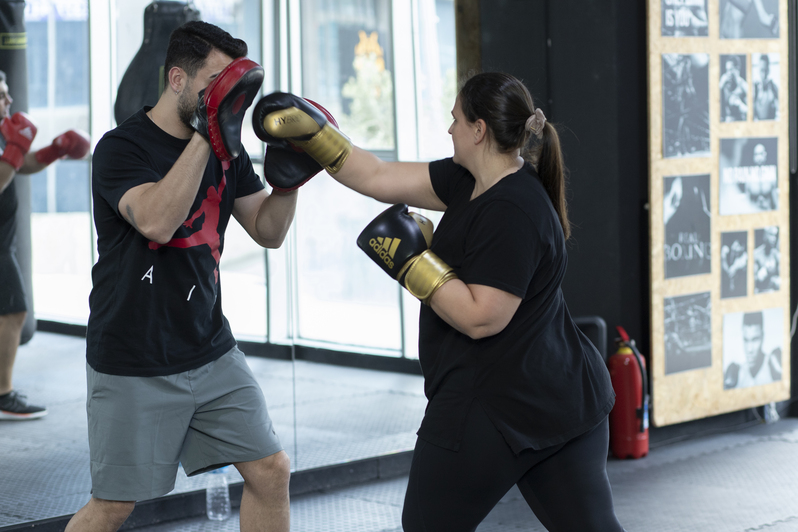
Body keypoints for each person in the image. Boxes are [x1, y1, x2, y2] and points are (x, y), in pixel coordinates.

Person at [254, 72, 623, 531]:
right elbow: (378, 176)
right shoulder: (467, 180)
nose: (449, 129)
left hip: (499, 407)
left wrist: (414, 262)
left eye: (455, 120)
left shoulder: (514, 211)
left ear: (479, 130)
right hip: (556, 396)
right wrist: (318, 136)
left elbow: (482, 318)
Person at [64, 21, 298, 532]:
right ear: (176, 78)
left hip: (209, 349)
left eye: (229, 86)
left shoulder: (226, 151)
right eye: (213, 83)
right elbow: (156, 220)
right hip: (132, 357)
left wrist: (289, 181)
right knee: (113, 506)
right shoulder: (121, 148)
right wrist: (208, 135)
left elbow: (267, 230)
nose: (225, 97)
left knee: (271, 470)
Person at [0, 69, 90, 420]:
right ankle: (4, 393)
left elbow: (21, 165)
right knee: (14, 310)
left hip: (3, 241)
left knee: (11, 310)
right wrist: (17, 147)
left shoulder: (3, 131)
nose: (9, 100)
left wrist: (55, 150)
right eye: (2, 94)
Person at [724, 311, 782, 389]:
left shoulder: (773, 367)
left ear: (762, 337)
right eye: (746, 340)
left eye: (755, 340)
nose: (749, 349)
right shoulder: (737, 374)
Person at [719, 56, 747, 122]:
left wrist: (740, 105)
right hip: (727, 123)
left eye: (730, 70)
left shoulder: (743, 85)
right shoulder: (724, 83)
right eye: (727, 70)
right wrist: (720, 84)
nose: (728, 73)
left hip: (740, 122)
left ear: (737, 69)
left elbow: (753, 112)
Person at [754, 226, 780, 293]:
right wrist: (763, 273)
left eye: (775, 235)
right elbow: (752, 282)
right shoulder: (756, 254)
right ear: (765, 235)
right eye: (771, 235)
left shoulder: (776, 254)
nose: (774, 239)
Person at [753, 54, 778, 121]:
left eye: (766, 70)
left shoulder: (774, 87)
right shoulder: (754, 88)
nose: (764, 75)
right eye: (762, 70)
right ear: (758, 70)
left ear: (769, 70)